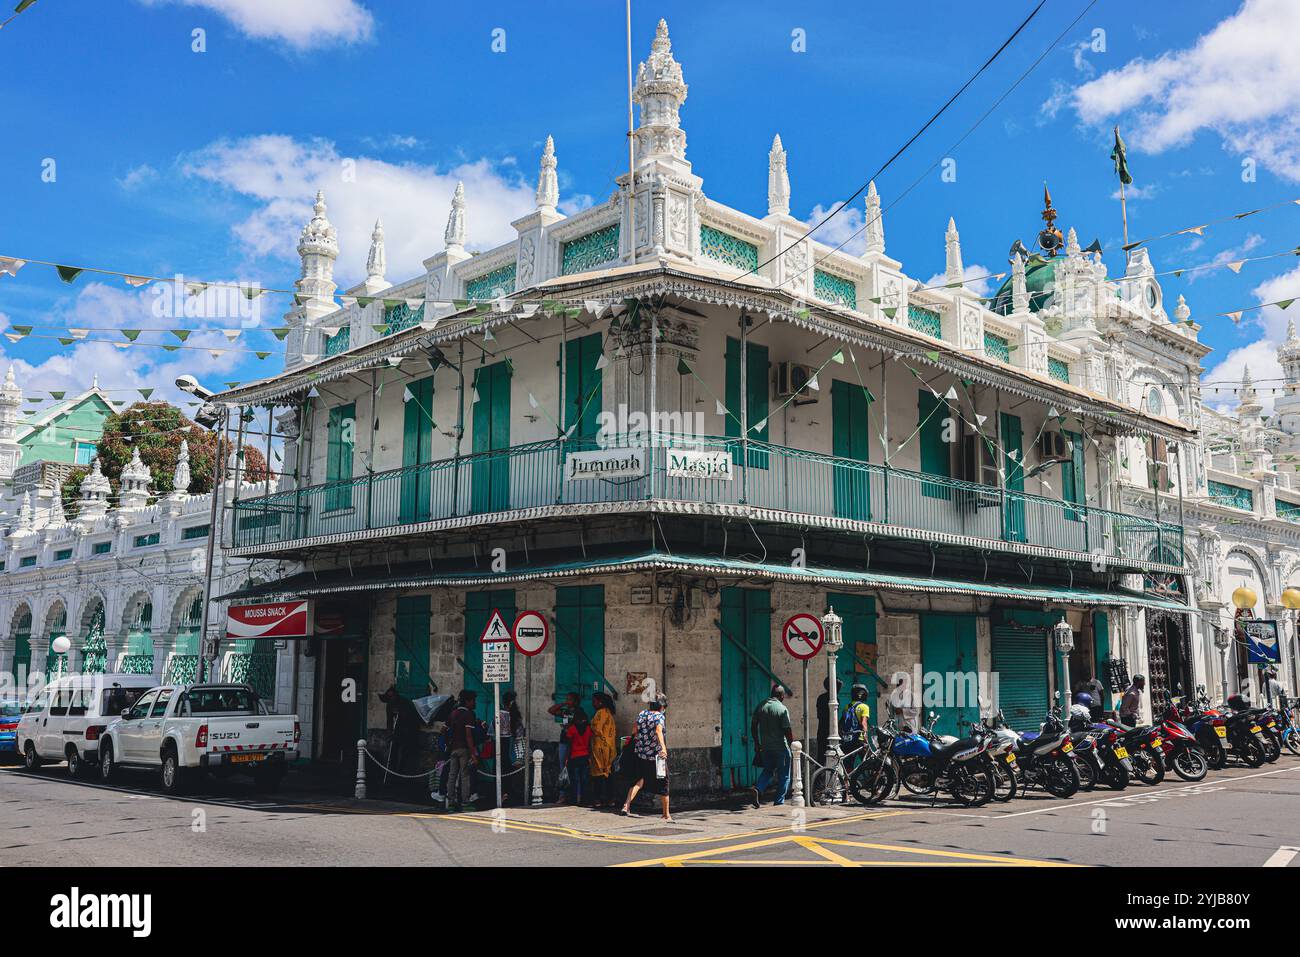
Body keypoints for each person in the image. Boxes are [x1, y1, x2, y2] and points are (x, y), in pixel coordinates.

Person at [620, 695, 671, 823]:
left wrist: (640, 740)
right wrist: (663, 748)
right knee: (663, 782)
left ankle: (626, 806)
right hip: (655, 756)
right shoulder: (659, 716)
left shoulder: (642, 713)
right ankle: (666, 814)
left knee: (638, 780)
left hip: (641, 754)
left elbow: (634, 730)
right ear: (662, 706)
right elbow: (659, 731)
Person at [749, 685, 793, 807]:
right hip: (781, 748)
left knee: (768, 770)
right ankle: (779, 802)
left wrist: (757, 743)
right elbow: (787, 729)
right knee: (784, 776)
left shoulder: (761, 706)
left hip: (766, 748)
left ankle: (758, 788)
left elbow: (753, 726)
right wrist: (792, 744)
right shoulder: (782, 709)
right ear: (782, 696)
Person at [444, 690, 479, 811]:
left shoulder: (453, 713)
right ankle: (465, 802)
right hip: (463, 749)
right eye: (473, 700)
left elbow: (443, 729)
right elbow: (468, 735)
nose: (475, 703)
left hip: (453, 748)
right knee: (465, 776)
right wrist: (473, 753)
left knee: (452, 775)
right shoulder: (468, 714)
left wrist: (447, 742)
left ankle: (451, 802)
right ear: (468, 701)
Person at [378, 685, 422, 778]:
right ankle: (393, 772)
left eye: (391, 697)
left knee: (405, 752)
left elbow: (412, 718)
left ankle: (400, 772)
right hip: (397, 730)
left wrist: (401, 714)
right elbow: (389, 720)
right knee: (393, 751)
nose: (390, 699)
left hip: (408, 730)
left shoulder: (404, 702)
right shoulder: (389, 704)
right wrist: (389, 733)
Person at [588, 692, 618, 808]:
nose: (592, 703)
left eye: (594, 701)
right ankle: (611, 799)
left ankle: (597, 800)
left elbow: (596, 729)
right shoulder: (609, 713)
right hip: (610, 748)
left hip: (600, 747)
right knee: (608, 774)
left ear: (600, 702)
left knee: (598, 775)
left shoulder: (600, 713)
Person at [563, 708, 593, 805]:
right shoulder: (588, 728)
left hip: (574, 757)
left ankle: (574, 799)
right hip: (585, 756)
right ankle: (584, 800)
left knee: (574, 780)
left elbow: (569, 745)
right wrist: (589, 756)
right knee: (584, 780)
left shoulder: (572, 729)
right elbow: (589, 744)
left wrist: (566, 758)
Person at [499, 690, 524, 802]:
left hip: (501, 744)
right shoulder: (516, 717)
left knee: (500, 770)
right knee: (509, 771)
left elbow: (492, 732)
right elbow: (520, 735)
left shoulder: (499, 715)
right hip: (512, 745)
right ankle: (507, 793)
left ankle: (502, 793)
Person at [840, 684, 871, 770]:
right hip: (858, 739)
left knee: (848, 766)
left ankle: (847, 783)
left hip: (847, 740)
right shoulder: (864, 707)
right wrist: (866, 741)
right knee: (869, 761)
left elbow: (841, 724)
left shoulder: (847, 707)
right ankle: (870, 780)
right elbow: (864, 723)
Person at [549, 691, 579, 769]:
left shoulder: (579, 712)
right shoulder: (566, 711)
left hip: (574, 741)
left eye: (570, 700)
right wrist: (563, 703)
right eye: (567, 699)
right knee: (562, 762)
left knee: (571, 763)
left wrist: (570, 727)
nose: (568, 701)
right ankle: (564, 779)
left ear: (575, 702)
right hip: (564, 739)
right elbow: (551, 710)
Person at [815, 677, 831, 762]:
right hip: (828, 730)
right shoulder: (834, 699)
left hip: (821, 730)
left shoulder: (820, 698)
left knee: (820, 756)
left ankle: (819, 774)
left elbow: (819, 715)